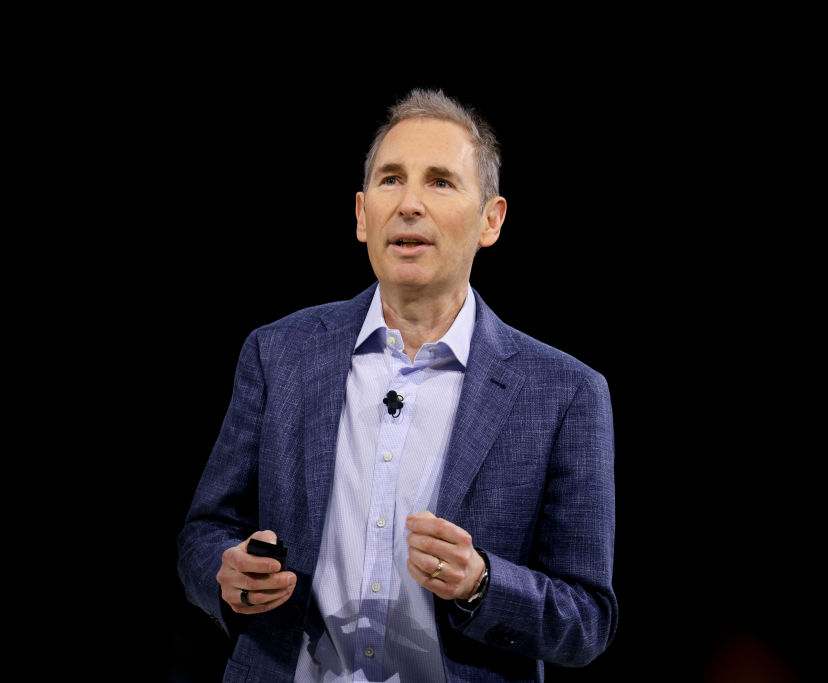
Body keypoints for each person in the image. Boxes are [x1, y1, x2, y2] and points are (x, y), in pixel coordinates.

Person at [177, 88, 617, 683]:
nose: (409, 204)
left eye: (440, 182)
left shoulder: (564, 393)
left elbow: (587, 620)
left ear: (491, 220)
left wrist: (482, 583)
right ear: (362, 215)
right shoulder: (277, 353)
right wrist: (225, 574)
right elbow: (204, 534)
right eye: (391, 180)